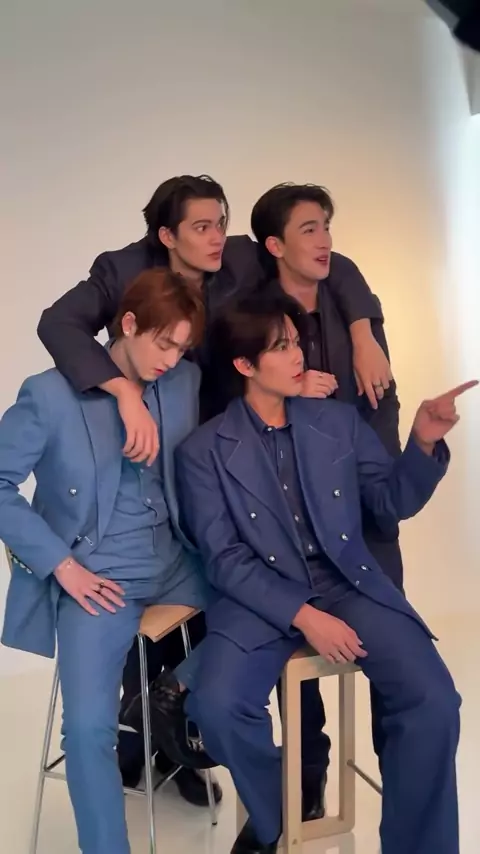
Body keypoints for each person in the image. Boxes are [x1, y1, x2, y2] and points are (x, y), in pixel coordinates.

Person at [35, 173, 392, 801]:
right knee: (144, 599)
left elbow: (326, 260)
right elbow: (58, 324)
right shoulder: (122, 270)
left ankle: (221, 746)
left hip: (233, 455)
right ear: (165, 235)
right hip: (149, 456)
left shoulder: (243, 257)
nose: (217, 236)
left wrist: (362, 332)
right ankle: (140, 738)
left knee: (239, 590)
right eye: (201, 226)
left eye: (221, 222)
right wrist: (123, 393)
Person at [175, 288, 475, 854]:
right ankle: (276, 819)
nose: (298, 356)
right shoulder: (202, 451)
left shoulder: (337, 422)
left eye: (296, 342)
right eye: (281, 347)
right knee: (216, 706)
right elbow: (224, 559)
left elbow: (387, 504)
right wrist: (304, 616)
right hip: (259, 598)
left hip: (347, 583)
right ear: (244, 365)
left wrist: (422, 443)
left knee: (434, 701)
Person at [0, 270, 211, 854]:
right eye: (163, 344)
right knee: (88, 729)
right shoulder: (49, 394)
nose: (171, 360)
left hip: (177, 562)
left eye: (182, 348)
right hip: (98, 580)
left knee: (270, 608)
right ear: (128, 324)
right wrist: (61, 566)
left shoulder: (184, 383)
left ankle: (163, 695)